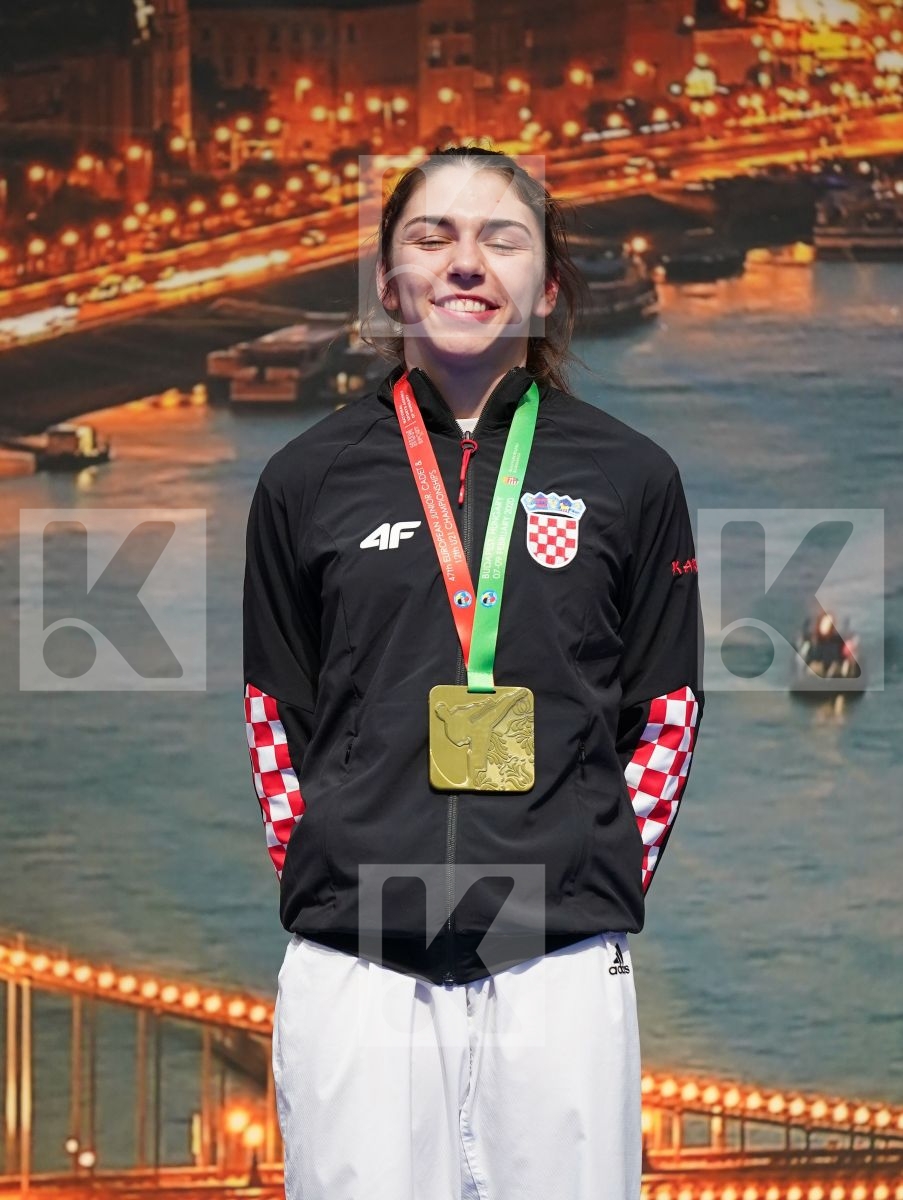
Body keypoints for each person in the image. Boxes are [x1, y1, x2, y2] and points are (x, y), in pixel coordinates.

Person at [243, 145, 705, 1200]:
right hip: (355, 960)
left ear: (546, 286)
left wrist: (596, 871)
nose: (465, 261)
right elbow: (276, 710)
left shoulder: (632, 477)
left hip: (560, 960)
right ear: (389, 282)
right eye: (430, 236)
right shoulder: (303, 480)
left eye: (501, 237)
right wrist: (332, 867)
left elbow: (667, 706)